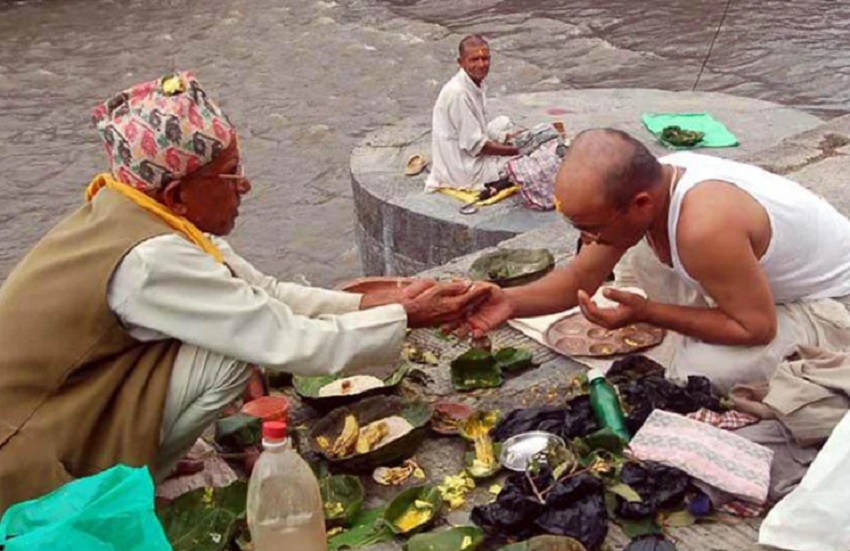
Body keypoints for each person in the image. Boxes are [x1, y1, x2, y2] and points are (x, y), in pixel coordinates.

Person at [0, 71, 489, 513]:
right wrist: (410, 320)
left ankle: (148, 452)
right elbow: (287, 339)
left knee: (228, 331)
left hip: (75, 397)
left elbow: (264, 292)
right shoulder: (151, 259)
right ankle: (135, 481)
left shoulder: (142, 212)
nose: (245, 185)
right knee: (231, 354)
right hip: (24, 455)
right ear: (177, 194)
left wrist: (386, 303)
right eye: (230, 174)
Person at [462, 128, 850, 392]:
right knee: (645, 257)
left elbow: (757, 329)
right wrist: (510, 302)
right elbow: (580, 277)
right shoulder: (649, 182)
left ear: (640, 204)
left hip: (831, 302)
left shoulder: (704, 226)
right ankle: (708, 316)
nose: (587, 239)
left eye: (592, 228)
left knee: (699, 373)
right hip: (753, 281)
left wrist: (648, 313)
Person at [425, 34, 519, 193]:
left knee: (504, 122)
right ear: (461, 63)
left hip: (463, 149)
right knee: (524, 159)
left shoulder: (473, 83)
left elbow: (478, 126)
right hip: (463, 171)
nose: (481, 64)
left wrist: (507, 138)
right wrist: (516, 150)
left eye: (485, 59)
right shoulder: (458, 94)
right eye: (474, 60)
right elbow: (478, 146)